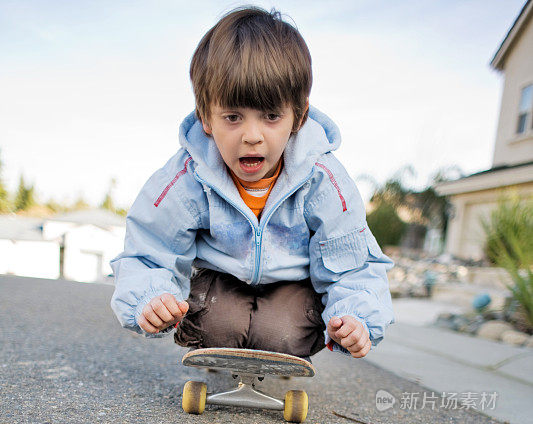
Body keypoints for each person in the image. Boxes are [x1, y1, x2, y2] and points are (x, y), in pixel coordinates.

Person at [110, 6, 395, 361]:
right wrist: (150, 298)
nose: (252, 137)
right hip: (220, 285)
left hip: (292, 292)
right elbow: (150, 247)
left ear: (298, 116)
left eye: (271, 116)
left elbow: (353, 262)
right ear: (206, 117)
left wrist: (357, 317)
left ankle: (276, 354)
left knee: (280, 335)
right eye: (233, 117)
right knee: (219, 326)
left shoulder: (322, 180)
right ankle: (222, 348)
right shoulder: (188, 177)